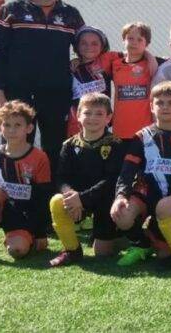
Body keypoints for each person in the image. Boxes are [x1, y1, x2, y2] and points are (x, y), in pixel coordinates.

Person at [0, 0, 85, 174]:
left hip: (57, 92)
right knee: (16, 145)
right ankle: (12, 191)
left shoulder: (71, 15)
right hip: (17, 92)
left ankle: (51, 192)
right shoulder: (9, 11)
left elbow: (89, 46)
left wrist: (79, 58)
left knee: (56, 147)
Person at [110, 81, 171, 268]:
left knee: (164, 254)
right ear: (151, 106)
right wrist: (120, 196)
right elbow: (127, 171)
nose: (165, 107)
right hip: (146, 194)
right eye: (160, 103)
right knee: (121, 214)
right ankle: (141, 244)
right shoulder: (142, 136)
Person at [49, 93, 125, 266]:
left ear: (108, 118)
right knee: (57, 201)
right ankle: (72, 250)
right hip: (77, 200)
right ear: (78, 115)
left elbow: (111, 180)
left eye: (99, 114)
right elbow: (61, 177)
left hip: (105, 200)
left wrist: (81, 198)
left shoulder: (115, 144)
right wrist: (70, 194)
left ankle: (120, 236)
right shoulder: (69, 145)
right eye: (87, 113)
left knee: (102, 253)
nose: (92, 118)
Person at [0, 101, 53, 266]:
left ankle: (23, 236)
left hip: (26, 214)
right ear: (0, 128)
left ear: (29, 128)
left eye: (17, 125)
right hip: (2, 211)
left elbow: (42, 196)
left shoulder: (39, 157)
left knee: (17, 250)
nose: (11, 130)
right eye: (7, 125)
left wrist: (40, 232)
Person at [111, 22, 161, 140]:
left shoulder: (154, 64)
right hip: (120, 129)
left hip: (146, 131)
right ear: (123, 40)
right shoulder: (114, 64)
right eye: (130, 38)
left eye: (140, 40)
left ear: (147, 44)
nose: (134, 42)